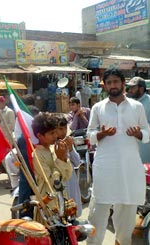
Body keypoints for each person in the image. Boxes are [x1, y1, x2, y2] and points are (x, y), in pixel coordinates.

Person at [86, 68, 150, 245]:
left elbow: (147, 132)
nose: (113, 85)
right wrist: (101, 134)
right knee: (98, 211)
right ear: (105, 86)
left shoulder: (137, 107)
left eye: (116, 82)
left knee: (127, 212)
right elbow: (89, 133)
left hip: (129, 167)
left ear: (123, 84)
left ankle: (122, 242)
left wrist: (138, 134)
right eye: (109, 83)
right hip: (105, 167)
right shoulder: (98, 108)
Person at [24, 112, 72, 222]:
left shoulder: (53, 149)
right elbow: (52, 183)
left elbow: (67, 175)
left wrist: (63, 158)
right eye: (51, 133)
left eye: (55, 132)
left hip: (61, 202)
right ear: (39, 136)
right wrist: (60, 160)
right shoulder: (37, 155)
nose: (56, 136)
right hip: (48, 206)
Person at [55, 114, 82, 217]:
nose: (63, 132)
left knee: (73, 205)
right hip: (60, 180)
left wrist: (70, 148)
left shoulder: (68, 142)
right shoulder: (52, 145)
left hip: (71, 178)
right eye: (60, 129)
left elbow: (77, 162)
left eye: (65, 128)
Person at [126, 76, 150, 163]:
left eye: (133, 87)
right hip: (131, 149)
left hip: (146, 149)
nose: (129, 90)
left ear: (141, 89)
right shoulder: (128, 102)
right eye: (129, 87)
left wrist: (141, 131)